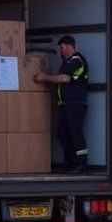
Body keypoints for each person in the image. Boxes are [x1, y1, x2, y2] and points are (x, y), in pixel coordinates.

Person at [34, 35, 90, 173]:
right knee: (63, 132)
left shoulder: (77, 60)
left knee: (75, 132)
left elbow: (65, 78)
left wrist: (44, 77)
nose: (61, 50)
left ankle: (81, 163)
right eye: (60, 47)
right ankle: (70, 162)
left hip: (75, 103)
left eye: (63, 47)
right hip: (65, 104)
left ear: (70, 46)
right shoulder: (67, 62)